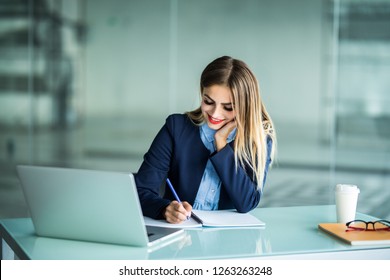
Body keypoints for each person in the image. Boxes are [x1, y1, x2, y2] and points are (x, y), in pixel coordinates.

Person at [135, 55, 276, 224]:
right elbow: (141, 189)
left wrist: (222, 144)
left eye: (228, 107)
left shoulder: (258, 140)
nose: (215, 114)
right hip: (181, 235)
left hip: (230, 241)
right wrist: (165, 208)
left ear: (245, 106)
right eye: (208, 101)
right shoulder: (176, 128)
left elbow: (246, 203)